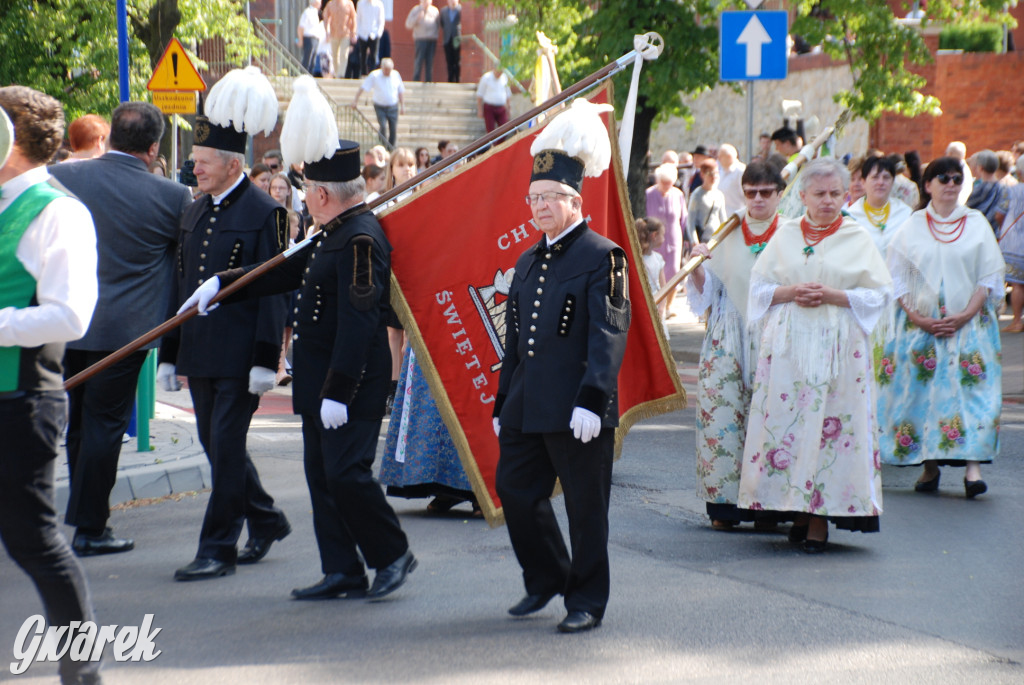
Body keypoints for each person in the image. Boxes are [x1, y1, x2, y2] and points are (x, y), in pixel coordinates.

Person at [179, 94, 417, 600]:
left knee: (347, 474)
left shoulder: (360, 239)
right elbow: (280, 270)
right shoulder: (326, 232)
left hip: (348, 380)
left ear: (326, 194)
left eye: (308, 189)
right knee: (321, 477)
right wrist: (222, 282)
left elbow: (359, 322)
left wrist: (338, 390)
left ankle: (393, 554)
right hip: (320, 378)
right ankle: (342, 570)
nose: (303, 197)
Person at [493, 100, 630, 634]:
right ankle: (548, 574)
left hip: (579, 408)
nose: (538, 208)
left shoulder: (604, 256)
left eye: (549, 199)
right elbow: (516, 344)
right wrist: (504, 402)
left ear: (575, 200)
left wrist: (595, 398)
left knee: (585, 509)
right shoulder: (528, 261)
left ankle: (587, 600)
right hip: (529, 404)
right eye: (533, 199)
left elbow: (609, 332)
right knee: (516, 492)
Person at [158, 75, 291, 581]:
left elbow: (275, 287)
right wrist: (170, 350)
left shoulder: (268, 213)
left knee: (227, 445)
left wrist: (265, 359)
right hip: (200, 350)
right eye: (195, 160)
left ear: (233, 165)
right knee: (217, 446)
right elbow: (181, 283)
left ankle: (217, 548)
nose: (195, 167)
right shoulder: (193, 211)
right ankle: (267, 519)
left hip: (240, 356)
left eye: (203, 161)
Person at [50, 102, 192, 558]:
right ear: (153, 149)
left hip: (66, 323)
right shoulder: (171, 197)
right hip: (125, 331)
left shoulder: (64, 178)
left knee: (80, 420)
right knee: (105, 426)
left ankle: (81, 515)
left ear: (109, 137)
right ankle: (90, 527)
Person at [737, 158, 893, 553]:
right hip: (789, 349)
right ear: (802, 195)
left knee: (830, 429)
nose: (827, 201)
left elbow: (878, 296)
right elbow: (757, 289)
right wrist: (790, 293)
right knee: (790, 427)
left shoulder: (857, 237)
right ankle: (794, 507)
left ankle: (819, 518)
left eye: (835, 194)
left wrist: (833, 295)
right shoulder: (787, 234)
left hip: (839, 349)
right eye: (819, 194)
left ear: (846, 195)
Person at [0, 88, 103, 685]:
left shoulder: (57, 211)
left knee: (33, 541)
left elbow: (72, 316)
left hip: (23, 401)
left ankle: (81, 670)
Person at [877, 157, 1005, 497]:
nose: (950, 184)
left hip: (969, 323)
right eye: (943, 178)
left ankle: (973, 471)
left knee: (972, 394)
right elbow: (897, 278)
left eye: (956, 178)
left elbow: (989, 276)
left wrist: (965, 314)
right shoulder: (912, 225)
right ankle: (929, 467)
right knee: (922, 395)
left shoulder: (976, 223)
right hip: (921, 324)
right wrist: (918, 317)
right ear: (928, 185)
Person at [686, 161, 786, 531]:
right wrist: (697, 264)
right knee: (724, 418)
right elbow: (707, 291)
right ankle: (725, 506)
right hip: (728, 334)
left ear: (780, 194)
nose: (757, 199)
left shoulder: (791, 235)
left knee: (771, 418)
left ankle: (769, 506)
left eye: (765, 192)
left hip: (774, 335)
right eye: (750, 192)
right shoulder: (727, 231)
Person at [380, 344, 480, 516]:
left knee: (470, 397)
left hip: (468, 330)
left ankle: (479, 492)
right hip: (431, 330)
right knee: (432, 407)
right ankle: (444, 488)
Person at [845, 155, 913, 255]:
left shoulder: (905, 213)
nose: (880, 182)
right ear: (864, 182)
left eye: (886, 177)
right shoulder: (851, 216)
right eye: (875, 177)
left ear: (893, 181)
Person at [645, 162, 687, 316]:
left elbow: (684, 218)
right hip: (654, 239)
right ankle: (656, 306)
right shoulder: (648, 194)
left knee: (674, 271)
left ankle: (668, 306)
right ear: (657, 180)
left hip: (674, 237)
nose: (667, 186)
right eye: (664, 183)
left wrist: (684, 236)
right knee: (655, 271)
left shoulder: (678, 194)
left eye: (670, 183)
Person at [354, 57, 404, 148]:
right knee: (383, 126)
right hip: (379, 106)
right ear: (382, 67)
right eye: (386, 70)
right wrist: (355, 100)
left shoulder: (396, 75)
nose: (387, 72)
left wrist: (402, 105)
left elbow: (400, 91)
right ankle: (383, 145)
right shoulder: (375, 75)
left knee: (393, 129)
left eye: (389, 70)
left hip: (393, 106)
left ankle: (391, 148)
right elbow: (363, 87)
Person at [999, 182, 1024, 333]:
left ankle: (1016, 321)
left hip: (1015, 242)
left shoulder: (1012, 190)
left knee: (1017, 284)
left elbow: (999, 213)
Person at [966, 149, 1008, 232]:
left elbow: (967, 211)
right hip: (998, 233)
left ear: (980, 168)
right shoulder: (1004, 188)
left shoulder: (979, 190)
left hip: (981, 233)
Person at [687, 158, 728, 243]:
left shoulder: (719, 194)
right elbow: (691, 221)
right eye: (710, 174)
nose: (714, 177)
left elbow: (723, 219)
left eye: (716, 173)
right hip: (702, 239)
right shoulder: (697, 195)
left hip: (716, 239)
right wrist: (694, 242)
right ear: (702, 175)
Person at [406, 0, 440, 82]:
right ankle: (416, 80)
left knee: (430, 62)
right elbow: (408, 24)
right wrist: (417, 18)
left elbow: (438, 24)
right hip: (420, 39)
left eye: (427, 1)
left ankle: (428, 81)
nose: (425, 2)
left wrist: (435, 34)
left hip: (432, 39)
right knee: (419, 61)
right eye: (424, 1)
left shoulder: (435, 11)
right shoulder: (416, 10)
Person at [322, 0, 356, 78]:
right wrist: (327, 32)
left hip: (345, 33)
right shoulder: (330, 4)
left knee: (344, 54)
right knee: (334, 55)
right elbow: (326, 17)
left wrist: (353, 32)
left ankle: (341, 74)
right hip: (334, 34)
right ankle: (337, 73)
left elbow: (353, 17)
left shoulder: (349, 4)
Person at [476, 66, 511, 133]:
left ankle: (498, 143)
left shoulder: (504, 77)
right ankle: (493, 143)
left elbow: (508, 94)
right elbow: (480, 94)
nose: (499, 74)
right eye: (498, 72)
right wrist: (480, 109)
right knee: (490, 131)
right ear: (494, 69)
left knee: (504, 129)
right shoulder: (486, 77)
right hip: (489, 107)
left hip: (501, 106)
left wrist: (509, 108)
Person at [355, 0, 385, 76]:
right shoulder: (361, 4)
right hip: (363, 34)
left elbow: (381, 20)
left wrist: (379, 33)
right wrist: (358, 32)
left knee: (373, 56)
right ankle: (363, 74)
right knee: (362, 56)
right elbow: (358, 18)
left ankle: (372, 75)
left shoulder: (379, 4)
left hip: (374, 33)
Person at [717, 143, 746, 216]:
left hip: (737, 217)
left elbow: (746, 195)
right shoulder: (721, 171)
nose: (718, 159)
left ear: (729, 156)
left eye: (721, 156)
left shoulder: (741, 171)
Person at [297, 0, 326, 75]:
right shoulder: (308, 12)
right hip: (309, 38)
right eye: (319, 2)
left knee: (313, 61)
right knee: (307, 59)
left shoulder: (316, 13)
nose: (320, 4)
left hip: (315, 39)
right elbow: (301, 27)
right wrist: (300, 39)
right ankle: (303, 75)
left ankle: (310, 76)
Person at [440, 0, 461, 83]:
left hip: (457, 38)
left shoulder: (460, 10)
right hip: (447, 38)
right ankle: (450, 79)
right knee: (449, 60)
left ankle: (457, 79)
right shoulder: (443, 11)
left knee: (457, 59)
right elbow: (442, 24)